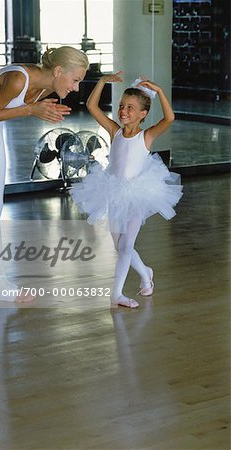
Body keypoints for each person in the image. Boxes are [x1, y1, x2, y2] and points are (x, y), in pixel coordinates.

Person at [0, 46, 89, 302]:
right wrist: (33, 109)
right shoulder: (19, 78)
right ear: (58, 71)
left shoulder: (46, 85)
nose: (75, 88)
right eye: (75, 80)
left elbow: (0, 115)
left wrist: (38, 107)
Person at [70, 72, 183, 308]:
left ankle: (117, 294)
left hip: (137, 195)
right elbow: (92, 105)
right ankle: (145, 273)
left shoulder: (147, 135)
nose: (123, 111)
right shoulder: (115, 131)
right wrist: (101, 82)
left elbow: (169, 118)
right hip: (112, 192)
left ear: (143, 114)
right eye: (122, 106)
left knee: (126, 246)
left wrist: (160, 91)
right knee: (119, 246)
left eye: (131, 108)